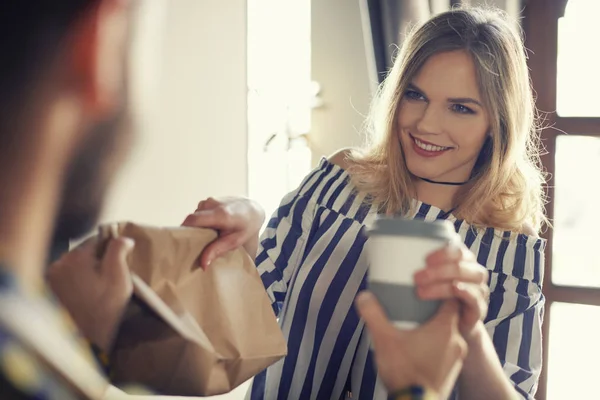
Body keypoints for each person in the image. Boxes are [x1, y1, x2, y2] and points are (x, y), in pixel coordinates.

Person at [187, 6, 547, 400]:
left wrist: (471, 335)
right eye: (415, 95)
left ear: (498, 121)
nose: (426, 124)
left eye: (461, 107)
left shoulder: (509, 246)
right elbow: (258, 296)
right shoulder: (339, 182)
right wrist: (250, 229)